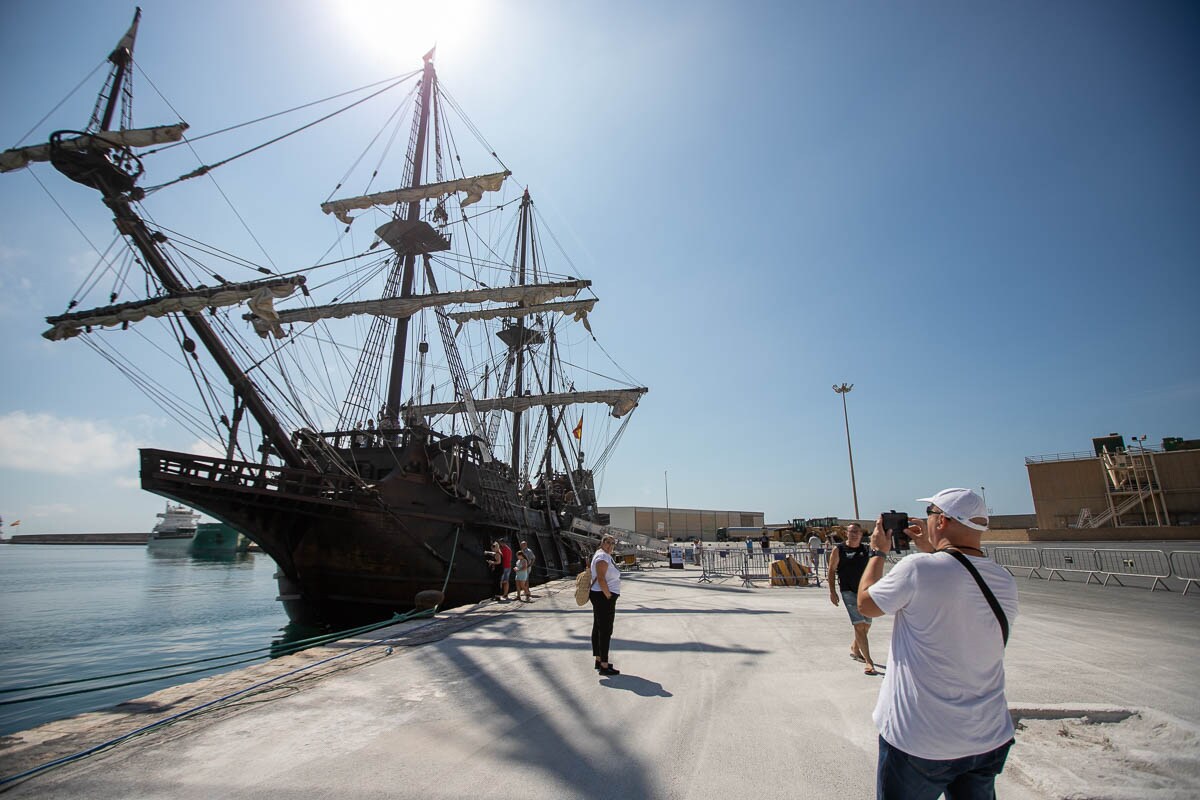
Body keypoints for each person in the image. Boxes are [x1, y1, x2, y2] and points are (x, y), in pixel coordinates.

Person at [858, 488, 1018, 800]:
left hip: (921, 741)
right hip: (987, 737)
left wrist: (877, 553)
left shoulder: (917, 568)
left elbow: (866, 604)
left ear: (942, 520)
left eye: (930, 514)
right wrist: (935, 550)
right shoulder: (1004, 579)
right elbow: (955, 584)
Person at [826, 523, 876, 675]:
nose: (854, 534)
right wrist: (832, 591)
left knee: (867, 624)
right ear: (846, 533)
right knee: (859, 625)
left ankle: (855, 647)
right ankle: (868, 661)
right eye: (851, 531)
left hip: (865, 591)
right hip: (848, 591)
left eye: (857, 532)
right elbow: (831, 570)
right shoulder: (839, 549)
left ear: (861, 534)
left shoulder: (866, 550)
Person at [589, 534, 622, 675]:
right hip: (603, 597)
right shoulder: (602, 557)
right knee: (605, 631)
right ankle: (604, 665)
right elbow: (601, 578)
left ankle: (598, 660)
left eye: (612, 543)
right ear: (601, 543)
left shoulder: (602, 554)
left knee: (598, 627)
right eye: (607, 542)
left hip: (600, 595)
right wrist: (608, 595)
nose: (610, 545)